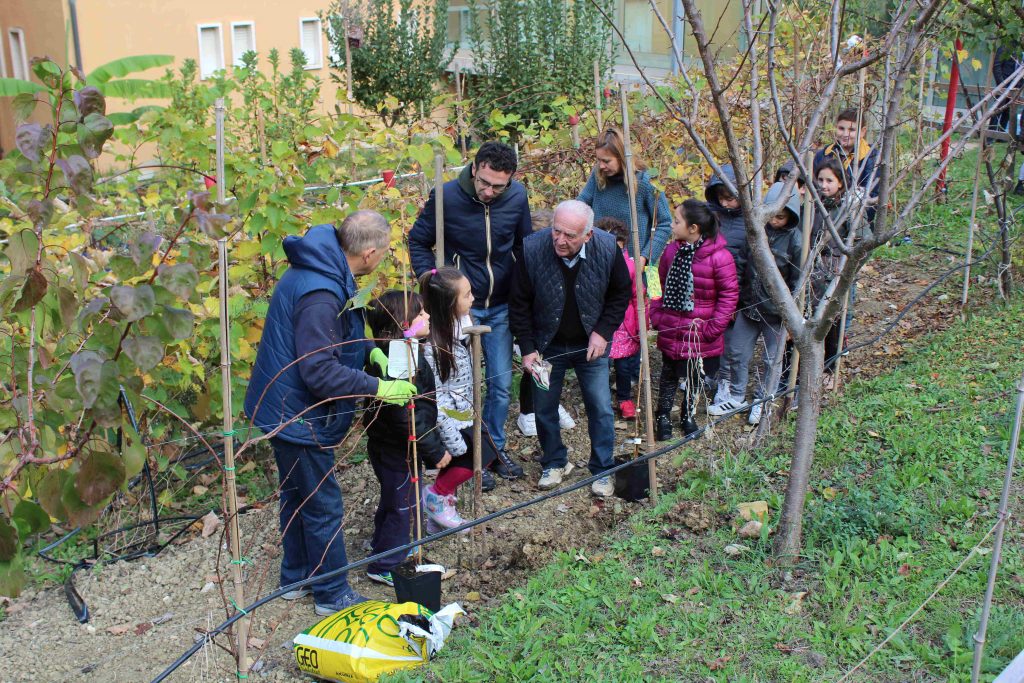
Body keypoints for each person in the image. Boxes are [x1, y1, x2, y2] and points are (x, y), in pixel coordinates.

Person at [243, 211, 416, 616]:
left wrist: (366, 349)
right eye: (385, 251)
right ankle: (331, 593)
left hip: (286, 406)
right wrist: (379, 387)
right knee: (321, 503)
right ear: (369, 253)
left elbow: (332, 338)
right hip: (299, 412)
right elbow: (318, 370)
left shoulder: (323, 265)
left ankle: (297, 576)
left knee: (298, 496)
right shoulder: (320, 291)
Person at [409, 142, 531, 477]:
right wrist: (429, 280)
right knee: (459, 389)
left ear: (511, 180)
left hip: (501, 305)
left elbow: (523, 245)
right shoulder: (446, 197)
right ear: (474, 168)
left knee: (501, 384)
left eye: (499, 186)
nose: (490, 191)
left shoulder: (517, 197)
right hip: (461, 308)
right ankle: (466, 454)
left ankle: (493, 450)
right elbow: (418, 241)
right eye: (485, 182)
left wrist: (524, 289)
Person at [509, 200, 631, 495]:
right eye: (556, 231)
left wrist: (602, 333)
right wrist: (527, 348)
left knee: (600, 407)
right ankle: (554, 461)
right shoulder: (531, 249)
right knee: (544, 408)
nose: (560, 240)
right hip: (545, 347)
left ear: (588, 235)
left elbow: (620, 293)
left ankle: (602, 469)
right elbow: (519, 304)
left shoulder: (607, 249)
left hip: (592, 347)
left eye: (570, 236)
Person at [362, 291, 447, 587]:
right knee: (404, 502)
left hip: (392, 444)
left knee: (394, 497)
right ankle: (386, 562)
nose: (428, 317)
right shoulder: (399, 358)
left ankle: (384, 543)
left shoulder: (403, 348)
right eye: (421, 314)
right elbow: (406, 414)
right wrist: (434, 450)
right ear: (403, 323)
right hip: (397, 446)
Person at [712, 183, 802, 424]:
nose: (774, 221)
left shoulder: (795, 241)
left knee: (772, 359)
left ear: (791, 217)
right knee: (737, 352)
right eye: (772, 216)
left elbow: (798, 281)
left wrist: (793, 317)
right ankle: (737, 394)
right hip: (749, 307)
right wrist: (736, 301)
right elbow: (740, 265)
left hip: (776, 313)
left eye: (781, 217)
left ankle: (763, 399)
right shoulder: (755, 231)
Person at [650, 200, 738, 440]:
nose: (672, 225)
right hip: (672, 325)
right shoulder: (670, 251)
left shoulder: (719, 257)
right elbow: (658, 285)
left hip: (701, 330)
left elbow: (729, 295)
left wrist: (714, 328)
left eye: (677, 221)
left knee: (696, 375)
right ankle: (663, 415)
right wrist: (656, 314)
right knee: (669, 372)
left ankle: (688, 414)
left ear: (693, 228)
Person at [419, 268, 501, 526]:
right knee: (483, 453)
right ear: (448, 304)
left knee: (471, 454)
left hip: (463, 409)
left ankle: (437, 519)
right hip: (448, 416)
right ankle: (436, 495)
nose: (473, 299)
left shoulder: (461, 328)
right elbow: (438, 397)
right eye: (467, 295)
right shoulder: (433, 347)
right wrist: (451, 435)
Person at [516, 208, 576, 437]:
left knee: (550, 366)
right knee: (533, 367)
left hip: (549, 323)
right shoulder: (526, 259)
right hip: (531, 325)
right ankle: (528, 411)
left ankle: (549, 404)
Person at [578, 127, 672, 269]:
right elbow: (580, 205)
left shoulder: (645, 181)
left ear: (621, 156)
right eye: (598, 160)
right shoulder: (597, 176)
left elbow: (665, 223)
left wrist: (645, 257)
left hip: (633, 268)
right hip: (598, 262)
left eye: (606, 161)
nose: (601, 166)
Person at [810, 157, 855, 374]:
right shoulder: (812, 205)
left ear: (840, 183)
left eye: (830, 180)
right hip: (812, 270)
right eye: (820, 179)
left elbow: (862, 241)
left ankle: (830, 369)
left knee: (833, 321)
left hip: (836, 270)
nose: (824, 185)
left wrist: (848, 268)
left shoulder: (848, 209)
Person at [598, 216, 642, 419]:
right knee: (601, 364)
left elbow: (637, 297)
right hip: (601, 323)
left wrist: (642, 322)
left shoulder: (631, 267)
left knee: (624, 367)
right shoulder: (594, 264)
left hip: (625, 324)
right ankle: (602, 398)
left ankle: (625, 399)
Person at [813, 107, 879, 198]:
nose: (845, 134)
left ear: (862, 132)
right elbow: (814, 187)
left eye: (851, 130)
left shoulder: (871, 157)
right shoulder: (823, 155)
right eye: (841, 128)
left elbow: (872, 194)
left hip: (854, 209)